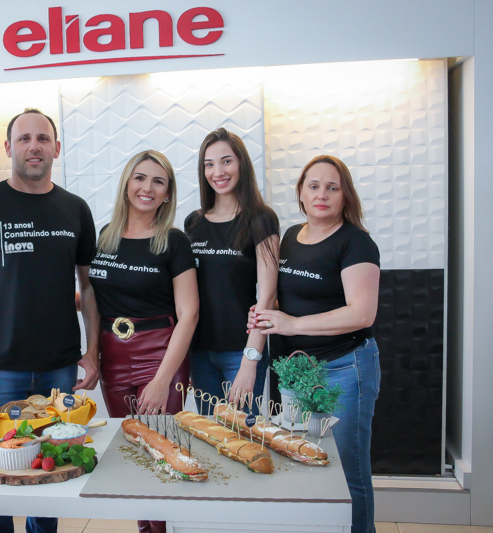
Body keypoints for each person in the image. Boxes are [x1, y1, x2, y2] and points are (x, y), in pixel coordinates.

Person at [0, 108, 100, 533]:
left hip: (59, 370)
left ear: (57, 148)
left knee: (49, 471)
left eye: (43, 139)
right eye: (25, 138)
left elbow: (88, 289)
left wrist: (93, 353)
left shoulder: (75, 209)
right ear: (9, 147)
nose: (35, 147)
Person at [248, 155, 380, 533]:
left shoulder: (356, 242)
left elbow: (362, 313)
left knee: (348, 470)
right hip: (295, 372)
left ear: (345, 196)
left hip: (343, 368)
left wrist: (293, 323)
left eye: (332, 188)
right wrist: (265, 313)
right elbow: (285, 297)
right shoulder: (291, 236)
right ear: (301, 193)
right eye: (314, 186)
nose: (322, 194)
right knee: (303, 462)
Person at [88, 150, 198, 533]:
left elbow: (189, 314)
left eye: (158, 181)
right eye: (140, 177)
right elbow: (95, 300)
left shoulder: (174, 241)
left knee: (162, 453)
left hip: (160, 355)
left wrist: (162, 380)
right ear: (126, 184)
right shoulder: (105, 236)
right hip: (113, 356)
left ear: (167, 193)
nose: (147, 187)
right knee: (133, 451)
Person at [184, 128, 279, 414]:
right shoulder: (193, 223)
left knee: (243, 437)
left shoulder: (261, 219)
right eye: (209, 164)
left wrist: (250, 360)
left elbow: (267, 297)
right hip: (200, 352)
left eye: (226, 161)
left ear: (241, 164)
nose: (218, 172)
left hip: (241, 351)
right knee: (209, 434)